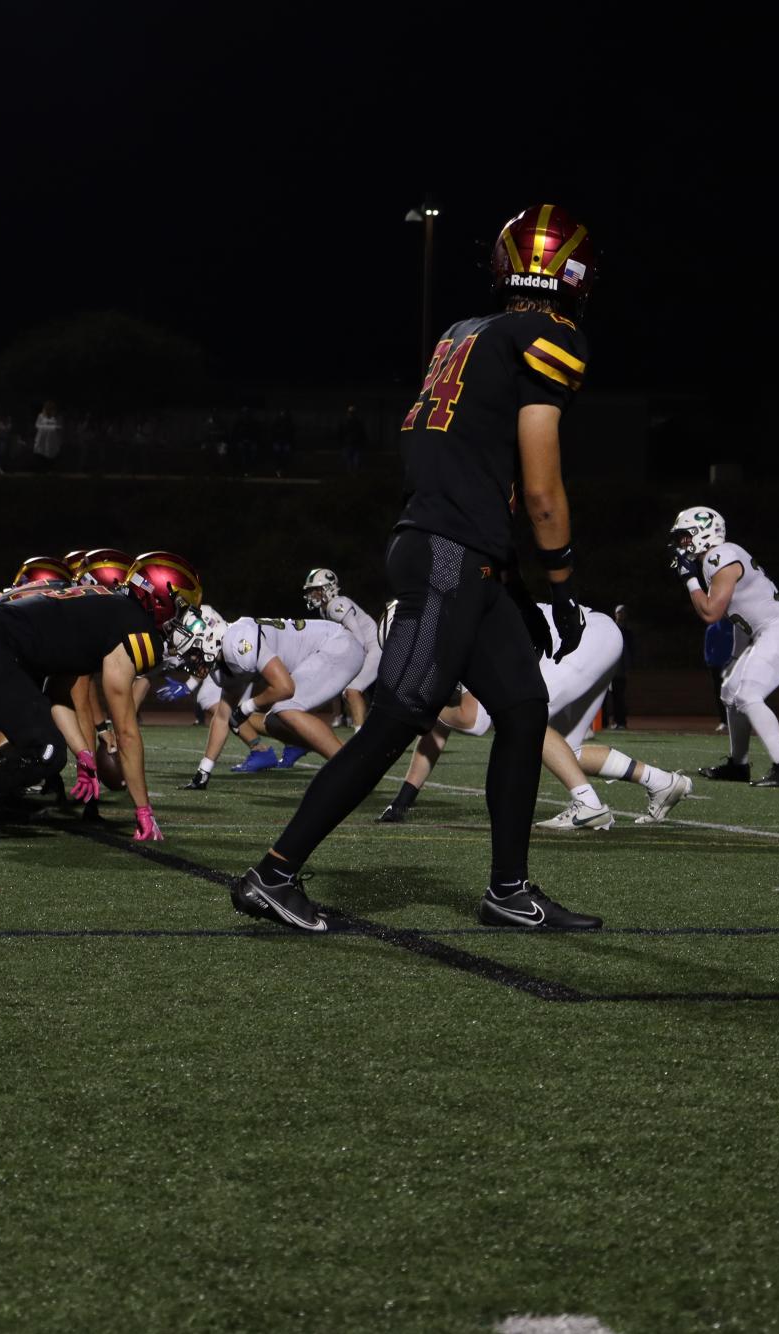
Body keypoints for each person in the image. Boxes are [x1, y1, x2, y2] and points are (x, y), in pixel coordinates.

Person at [228, 204, 604, 934]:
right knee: (399, 714)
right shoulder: (549, 335)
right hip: (448, 549)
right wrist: (561, 579)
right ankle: (273, 873)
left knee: (524, 709)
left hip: (456, 545)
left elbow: (464, 454)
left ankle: (507, 889)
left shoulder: (463, 332)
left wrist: (516, 583)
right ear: (576, 272)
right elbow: (539, 485)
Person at [0, 554, 198, 845]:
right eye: (182, 604)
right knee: (44, 749)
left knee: (33, 737)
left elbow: (59, 695)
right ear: (158, 596)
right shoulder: (135, 624)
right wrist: (143, 810)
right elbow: (126, 730)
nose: (183, 615)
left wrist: (83, 755)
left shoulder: (105, 606)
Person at [376, 599, 690, 829]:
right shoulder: (450, 626)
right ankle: (661, 781)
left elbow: (473, 721)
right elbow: (437, 732)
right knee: (565, 753)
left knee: (524, 721)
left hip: (581, 640)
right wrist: (402, 801)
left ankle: (588, 805)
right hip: (592, 635)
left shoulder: (458, 629)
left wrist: (424, 703)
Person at [672, 506, 779, 787]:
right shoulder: (719, 558)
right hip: (770, 630)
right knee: (730, 690)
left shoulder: (717, 556)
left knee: (748, 695)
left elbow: (710, 613)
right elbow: (741, 616)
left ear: (703, 533)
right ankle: (738, 764)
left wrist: (689, 579)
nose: (682, 544)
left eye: (686, 537)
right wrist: (736, 657)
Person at [183, 607, 362, 786]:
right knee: (274, 723)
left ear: (209, 637)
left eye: (193, 651)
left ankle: (351, 770)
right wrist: (203, 771)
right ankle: (349, 757)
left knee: (285, 708)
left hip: (337, 644)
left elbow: (285, 688)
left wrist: (247, 707)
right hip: (327, 651)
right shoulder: (228, 658)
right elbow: (222, 717)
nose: (191, 659)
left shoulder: (237, 642)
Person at [301, 567, 380, 729]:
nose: (312, 595)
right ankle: (364, 729)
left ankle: (360, 738)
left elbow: (357, 635)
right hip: (367, 647)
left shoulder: (337, 604)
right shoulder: (326, 609)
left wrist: (351, 661)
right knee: (351, 691)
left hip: (372, 647)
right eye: (311, 591)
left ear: (328, 588)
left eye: (316, 590)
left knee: (352, 690)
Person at [702, 618, 737, 733]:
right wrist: (709, 661)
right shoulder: (712, 629)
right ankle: (724, 722)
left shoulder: (734, 628)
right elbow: (707, 648)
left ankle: (736, 722)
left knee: (734, 693)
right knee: (720, 694)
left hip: (731, 667)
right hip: (716, 667)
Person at [605, 604, 631, 729]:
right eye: (619, 612)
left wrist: (627, 668)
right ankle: (608, 722)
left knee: (619, 697)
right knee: (609, 698)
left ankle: (620, 721)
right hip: (611, 669)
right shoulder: (612, 629)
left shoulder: (627, 631)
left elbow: (628, 652)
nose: (621, 615)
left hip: (619, 671)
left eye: (623, 612)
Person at [32, 402, 63, 470]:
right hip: (42, 439)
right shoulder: (41, 416)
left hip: (52, 440)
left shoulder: (57, 417)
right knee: (41, 457)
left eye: (52, 409)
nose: (50, 410)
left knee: (51, 457)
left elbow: (59, 427)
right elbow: (37, 425)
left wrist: (48, 426)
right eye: (49, 408)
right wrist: (49, 426)